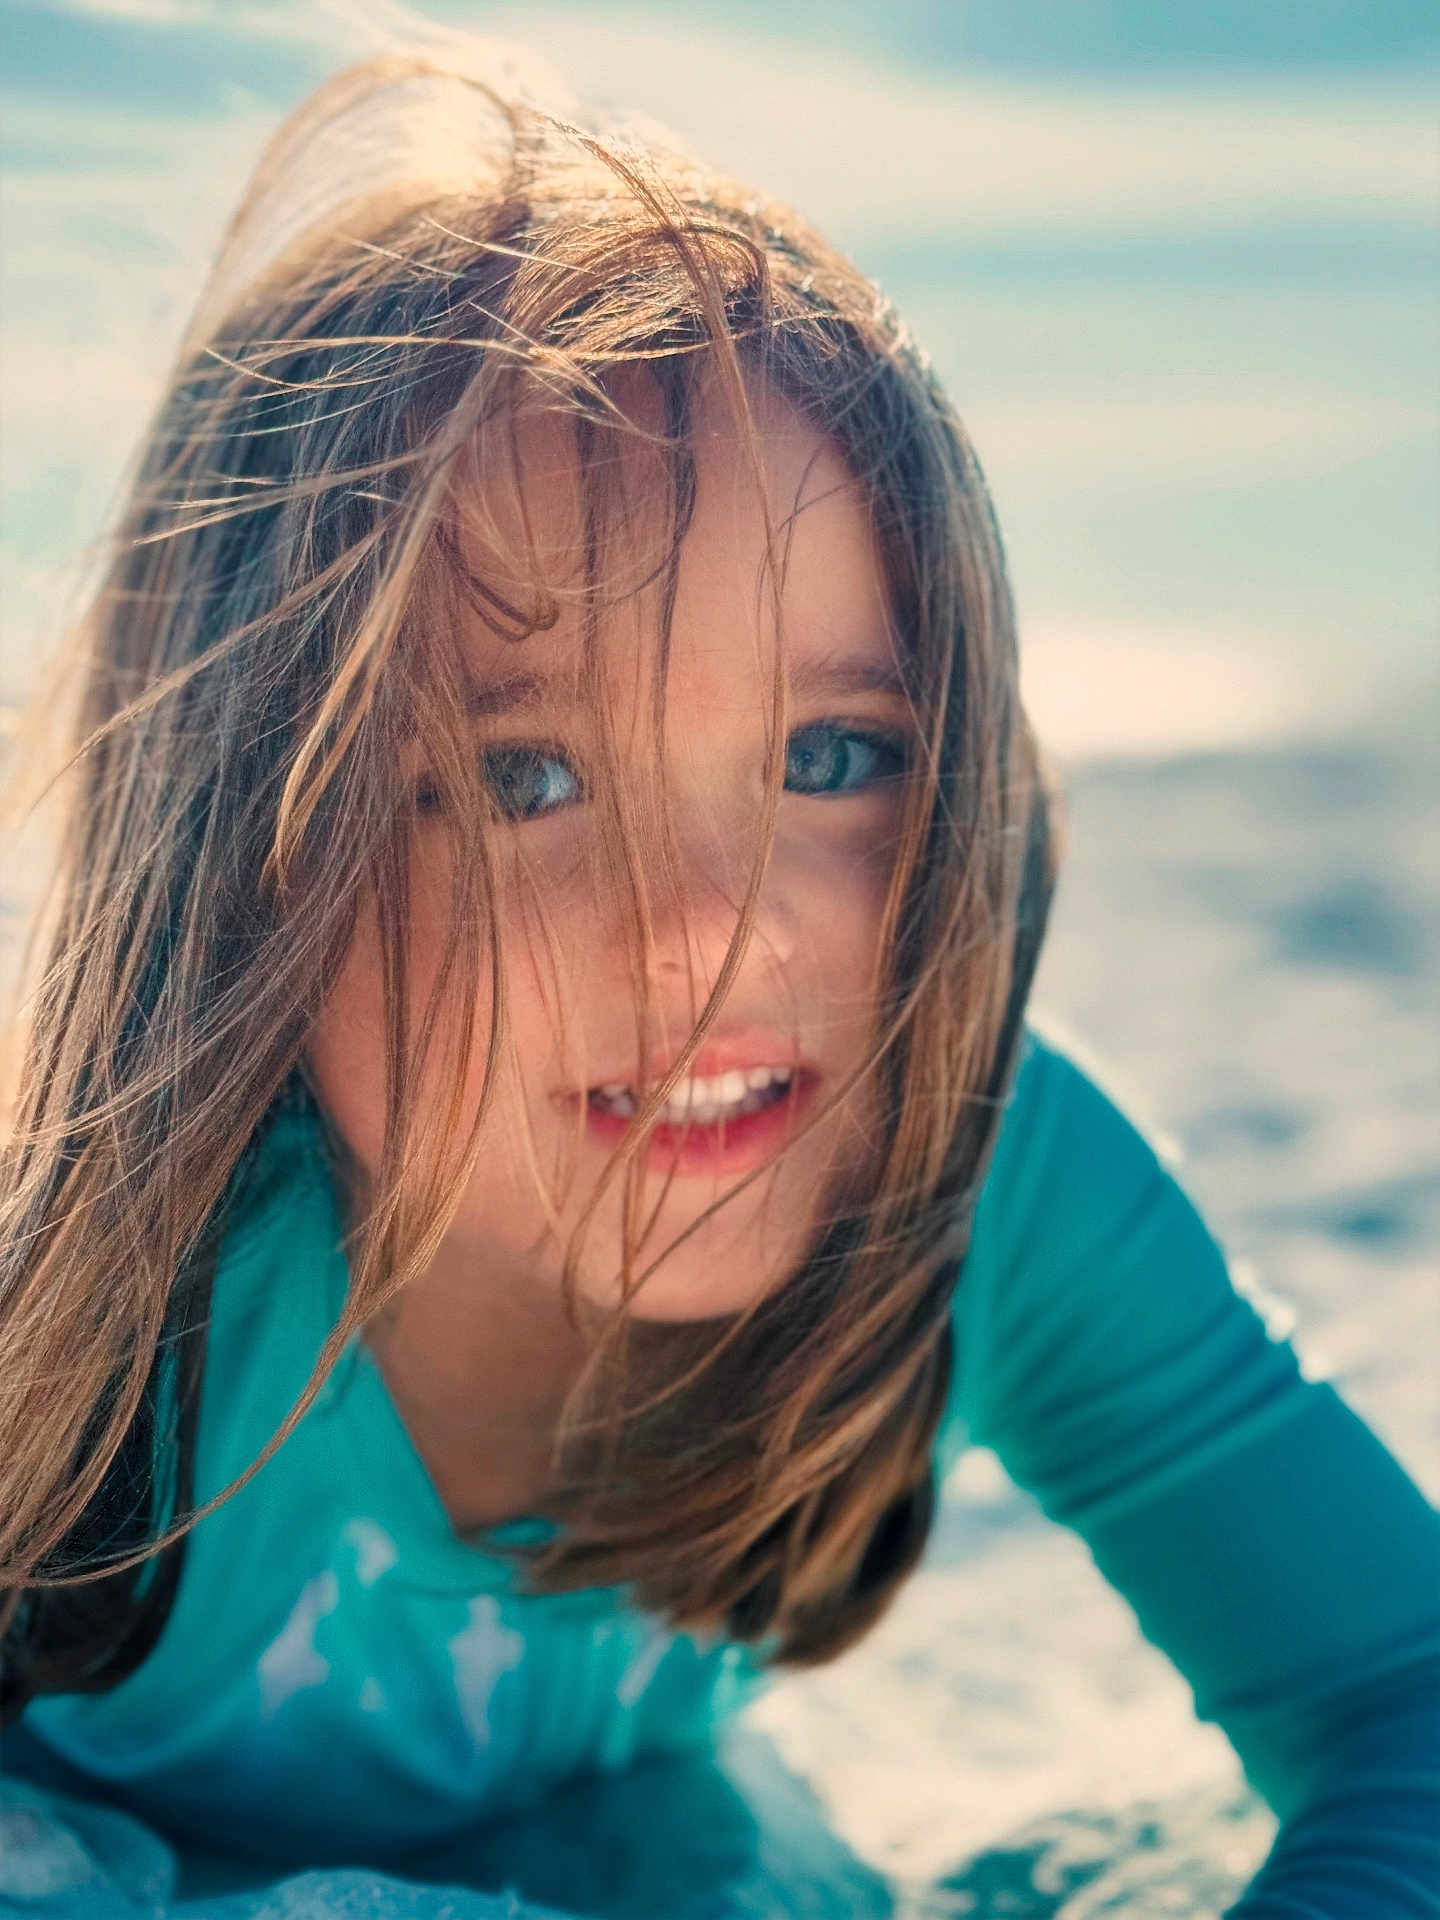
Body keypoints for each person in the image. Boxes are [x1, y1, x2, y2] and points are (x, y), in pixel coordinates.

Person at [0, 41, 1435, 1919]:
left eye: (831, 757)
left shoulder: (963, 1174)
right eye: (526, 778)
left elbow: (1398, 1696)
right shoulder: (91, 1260)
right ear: (239, 853)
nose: (715, 932)